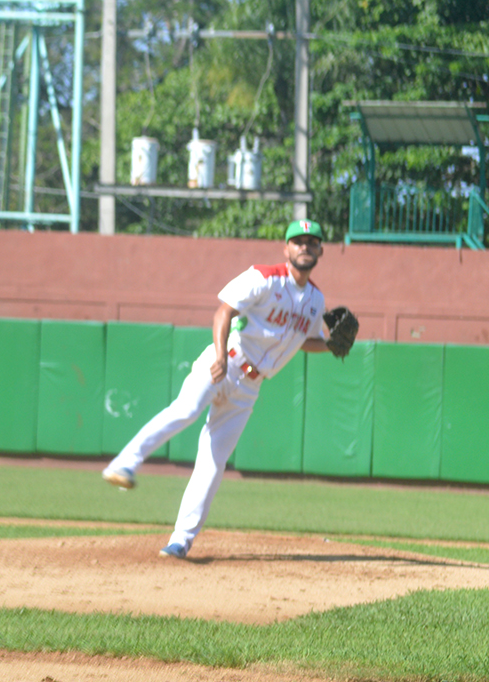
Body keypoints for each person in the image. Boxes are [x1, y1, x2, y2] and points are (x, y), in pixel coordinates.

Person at [101, 219, 338, 559]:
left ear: (320, 250)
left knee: (214, 461)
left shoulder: (316, 299)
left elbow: (305, 341)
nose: (304, 246)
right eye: (297, 241)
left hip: (250, 387)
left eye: (311, 242)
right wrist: (219, 355)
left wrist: (331, 346)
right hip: (223, 361)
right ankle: (125, 463)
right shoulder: (263, 277)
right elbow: (223, 312)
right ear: (286, 249)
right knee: (185, 410)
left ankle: (181, 540)